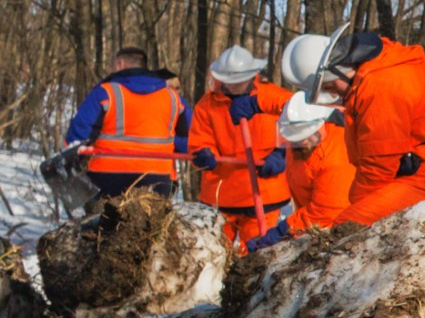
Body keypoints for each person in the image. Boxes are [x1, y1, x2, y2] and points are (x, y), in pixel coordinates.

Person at [278, 29, 425, 227]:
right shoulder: (379, 69)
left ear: (339, 69)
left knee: (348, 227)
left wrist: (358, 206)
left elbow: (378, 166)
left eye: (330, 86)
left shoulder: (379, 87)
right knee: (354, 217)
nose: (333, 94)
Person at [192, 46, 294, 247]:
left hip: (264, 193)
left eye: (241, 81)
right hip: (222, 194)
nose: (236, 86)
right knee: (216, 251)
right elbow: (199, 140)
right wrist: (204, 154)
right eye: (231, 81)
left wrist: (283, 153)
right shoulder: (207, 105)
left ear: (252, 75)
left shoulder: (273, 97)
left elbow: (299, 124)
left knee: (257, 253)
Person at [64, 47, 189, 198]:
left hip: (108, 178)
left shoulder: (105, 92)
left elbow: (77, 135)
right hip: (159, 179)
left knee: (104, 212)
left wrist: (71, 157)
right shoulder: (173, 98)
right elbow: (194, 138)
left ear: (120, 64)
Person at [271, 93, 353, 236]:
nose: (304, 143)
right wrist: (257, 102)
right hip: (309, 223)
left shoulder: (335, 156)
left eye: (308, 137)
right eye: (297, 140)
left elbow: (326, 212)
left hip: (337, 228)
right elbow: (279, 101)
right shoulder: (297, 127)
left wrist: (285, 229)